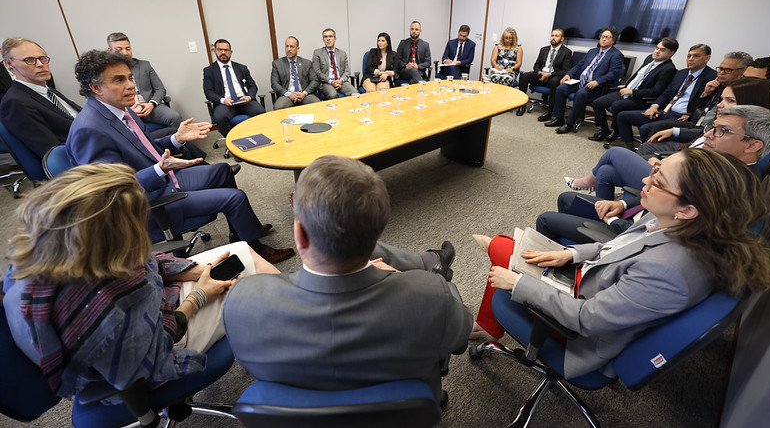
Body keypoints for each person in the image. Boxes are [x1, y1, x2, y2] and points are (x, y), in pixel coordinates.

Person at [471, 148, 770, 380]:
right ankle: (488, 325)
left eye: (657, 180)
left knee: (501, 249)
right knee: (513, 247)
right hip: (592, 284)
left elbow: (586, 319)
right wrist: (571, 255)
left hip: (581, 334)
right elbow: (617, 247)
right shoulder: (674, 220)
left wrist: (519, 283)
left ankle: (487, 326)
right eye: (655, 170)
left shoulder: (668, 272)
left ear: (688, 209)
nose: (645, 180)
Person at [2, 163, 280, 402]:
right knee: (255, 281)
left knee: (241, 253)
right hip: (146, 357)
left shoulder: (45, 249)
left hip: (139, 319)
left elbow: (142, 262)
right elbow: (153, 350)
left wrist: (191, 271)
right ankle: (294, 348)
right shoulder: (98, 309)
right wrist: (199, 296)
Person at [223, 156, 472, 404]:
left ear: (299, 234)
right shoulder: (431, 297)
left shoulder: (241, 302)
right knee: (447, 293)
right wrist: (399, 278)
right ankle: (429, 263)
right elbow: (460, 342)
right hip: (400, 413)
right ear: (378, 233)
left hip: (299, 414)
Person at [66, 50, 292, 263]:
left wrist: (176, 139)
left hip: (163, 180)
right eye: (119, 80)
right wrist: (160, 169)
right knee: (235, 198)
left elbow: (145, 148)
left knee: (223, 170)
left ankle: (240, 231)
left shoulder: (121, 110)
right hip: (149, 202)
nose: (131, 86)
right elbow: (111, 192)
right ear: (95, 87)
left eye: (129, 78)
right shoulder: (89, 129)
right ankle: (255, 249)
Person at [549, 82, 770, 244]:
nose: (709, 134)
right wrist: (622, 204)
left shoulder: (721, 184)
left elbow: (660, 232)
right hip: (637, 213)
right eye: (713, 128)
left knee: (548, 218)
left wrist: (614, 220)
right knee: (597, 178)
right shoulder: (720, 162)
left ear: (753, 145)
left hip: (631, 235)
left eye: (721, 131)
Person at [639, 76, 770, 159]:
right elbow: (704, 128)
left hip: (694, 161)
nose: (720, 105)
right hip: (692, 149)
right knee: (646, 148)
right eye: (722, 99)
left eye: (730, 101)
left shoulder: (741, 134)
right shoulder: (726, 119)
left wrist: (667, 164)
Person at [612, 44, 716, 149]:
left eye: (696, 56)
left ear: (707, 58)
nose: (691, 59)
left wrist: (691, 114)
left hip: (682, 117)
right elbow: (666, 93)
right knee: (623, 116)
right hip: (665, 111)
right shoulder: (681, 73)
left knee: (645, 128)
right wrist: (655, 106)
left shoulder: (712, 77)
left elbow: (707, 102)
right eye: (689, 56)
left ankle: (646, 150)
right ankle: (630, 148)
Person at [0, 37, 81, 158]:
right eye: (28, 60)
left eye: (42, 58)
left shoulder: (48, 91)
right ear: (9, 64)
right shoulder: (15, 101)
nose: (40, 64)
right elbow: (53, 153)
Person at [587, 38, 678, 141]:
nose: (657, 51)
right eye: (657, 48)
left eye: (662, 50)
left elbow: (655, 91)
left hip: (640, 99)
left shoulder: (669, 69)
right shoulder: (649, 58)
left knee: (617, 105)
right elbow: (638, 75)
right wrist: (627, 85)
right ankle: (604, 131)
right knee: (597, 103)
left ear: (671, 53)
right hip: (627, 91)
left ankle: (616, 131)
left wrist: (632, 92)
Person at [544, 27, 625, 134]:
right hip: (581, 81)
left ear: (613, 40)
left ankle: (569, 124)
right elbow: (579, 65)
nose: (603, 39)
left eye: (607, 37)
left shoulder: (617, 55)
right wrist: (568, 74)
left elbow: (612, 74)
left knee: (581, 93)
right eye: (602, 36)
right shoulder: (592, 51)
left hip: (597, 86)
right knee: (561, 88)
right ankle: (559, 118)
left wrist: (597, 81)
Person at [107, 32, 183, 130]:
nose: (125, 53)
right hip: (125, 111)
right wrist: (127, 111)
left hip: (148, 106)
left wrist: (152, 104)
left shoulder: (144, 65)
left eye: (128, 48)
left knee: (175, 117)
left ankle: (176, 140)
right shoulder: (106, 72)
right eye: (119, 49)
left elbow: (160, 89)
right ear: (110, 51)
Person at [202, 39, 265, 136]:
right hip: (225, 104)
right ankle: (232, 140)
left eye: (226, 50)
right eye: (220, 50)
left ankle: (260, 137)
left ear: (230, 52)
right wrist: (223, 100)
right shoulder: (209, 71)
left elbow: (252, 86)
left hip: (244, 101)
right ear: (214, 51)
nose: (223, 52)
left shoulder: (241, 68)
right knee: (220, 117)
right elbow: (208, 92)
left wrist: (249, 97)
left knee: (260, 111)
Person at [516, 28, 573, 117]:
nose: (553, 38)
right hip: (541, 75)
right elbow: (536, 65)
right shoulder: (544, 50)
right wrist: (539, 72)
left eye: (556, 36)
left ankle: (550, 111)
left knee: (555, 81)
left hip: (553, 77)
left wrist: (550, 74)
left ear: (562, 39)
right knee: (524, 76)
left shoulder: (567, 52)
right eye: (552, 35)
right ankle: (521, 105)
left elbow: (566, 70)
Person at [270, 36, 321, 110]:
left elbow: (314, 81)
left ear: (298, 48)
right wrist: (289, 94)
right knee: (278, 107)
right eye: (287, 46)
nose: (289, 49)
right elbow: (274, 83)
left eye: (292, 46)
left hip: (305, 94)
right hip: (287, 96)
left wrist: (304, 93)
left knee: (318, 104)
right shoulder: (277, 64)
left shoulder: (307, 63)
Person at [312, 28, 356, 99]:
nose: (328, 39)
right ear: (323, 39)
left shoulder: (342, 53)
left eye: (330, 36)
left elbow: (347, 71)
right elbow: (317, 72)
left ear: (335, 38)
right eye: (325, 37)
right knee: (333, 95)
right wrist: (331, 81)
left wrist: (341, 80)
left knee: (354, 93)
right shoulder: (317, 53)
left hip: (341, 81)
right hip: (326, 82)